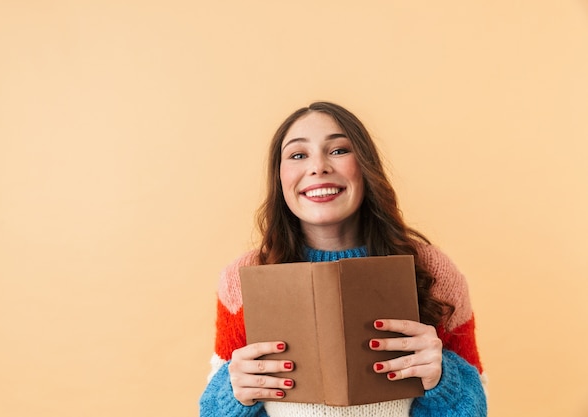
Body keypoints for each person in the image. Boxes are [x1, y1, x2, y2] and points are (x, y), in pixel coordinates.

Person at [199, 102, 487, 417]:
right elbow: (211, 411)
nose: (318, 167)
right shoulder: (242, 278)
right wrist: (234, 392)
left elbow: (476, 406)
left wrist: (442, 378)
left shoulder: (431, 270)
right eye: (298, 155)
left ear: (365, 166)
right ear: (279, 178)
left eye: (338, 151)